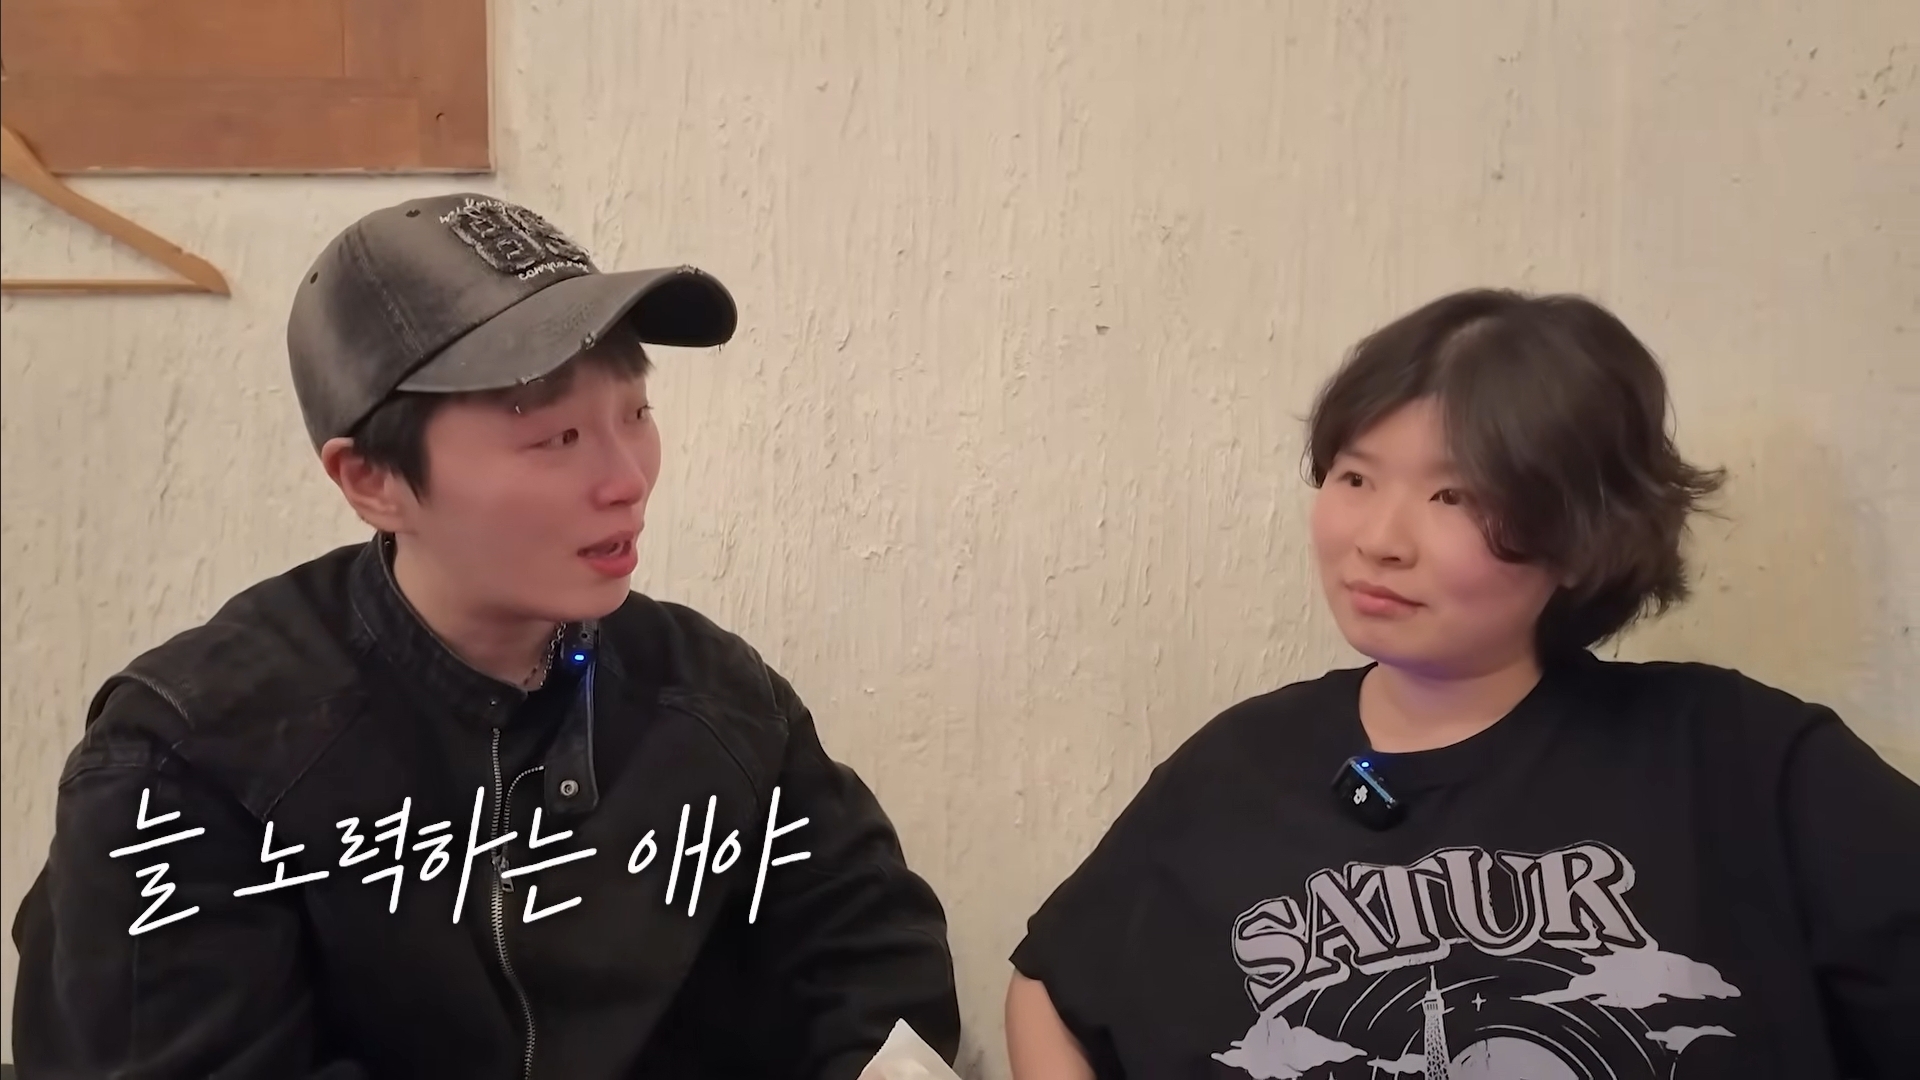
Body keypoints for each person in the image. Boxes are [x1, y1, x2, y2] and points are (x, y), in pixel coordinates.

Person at [11, 193, 962, 1079]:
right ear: (372, 480)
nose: (627, 478)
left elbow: (871, 966)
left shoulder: (718, 698)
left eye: (635, 412)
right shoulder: (190, 758)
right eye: (556, 438)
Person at [1003, 288, 1920, 1079]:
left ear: (1580, 536)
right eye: (1355, 477)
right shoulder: (1237, 767)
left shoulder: (1740, 762)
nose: (1379, 539)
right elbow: (1051, 987)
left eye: (1454, 496)